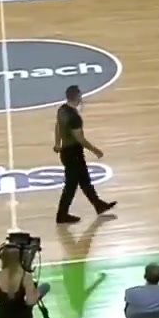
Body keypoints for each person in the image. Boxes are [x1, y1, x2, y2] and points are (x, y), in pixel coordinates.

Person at [53, 85, 116, 224]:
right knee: (71, 185)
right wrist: (95, 150)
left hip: (66, 152)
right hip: (73, 153)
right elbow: (79, 139)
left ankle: (98, 205)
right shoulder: (74, 117)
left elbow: (58, 126)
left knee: (85, 180)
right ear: (77, 97)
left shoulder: (62, 110)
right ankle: (62, 215)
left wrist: (57, 143)